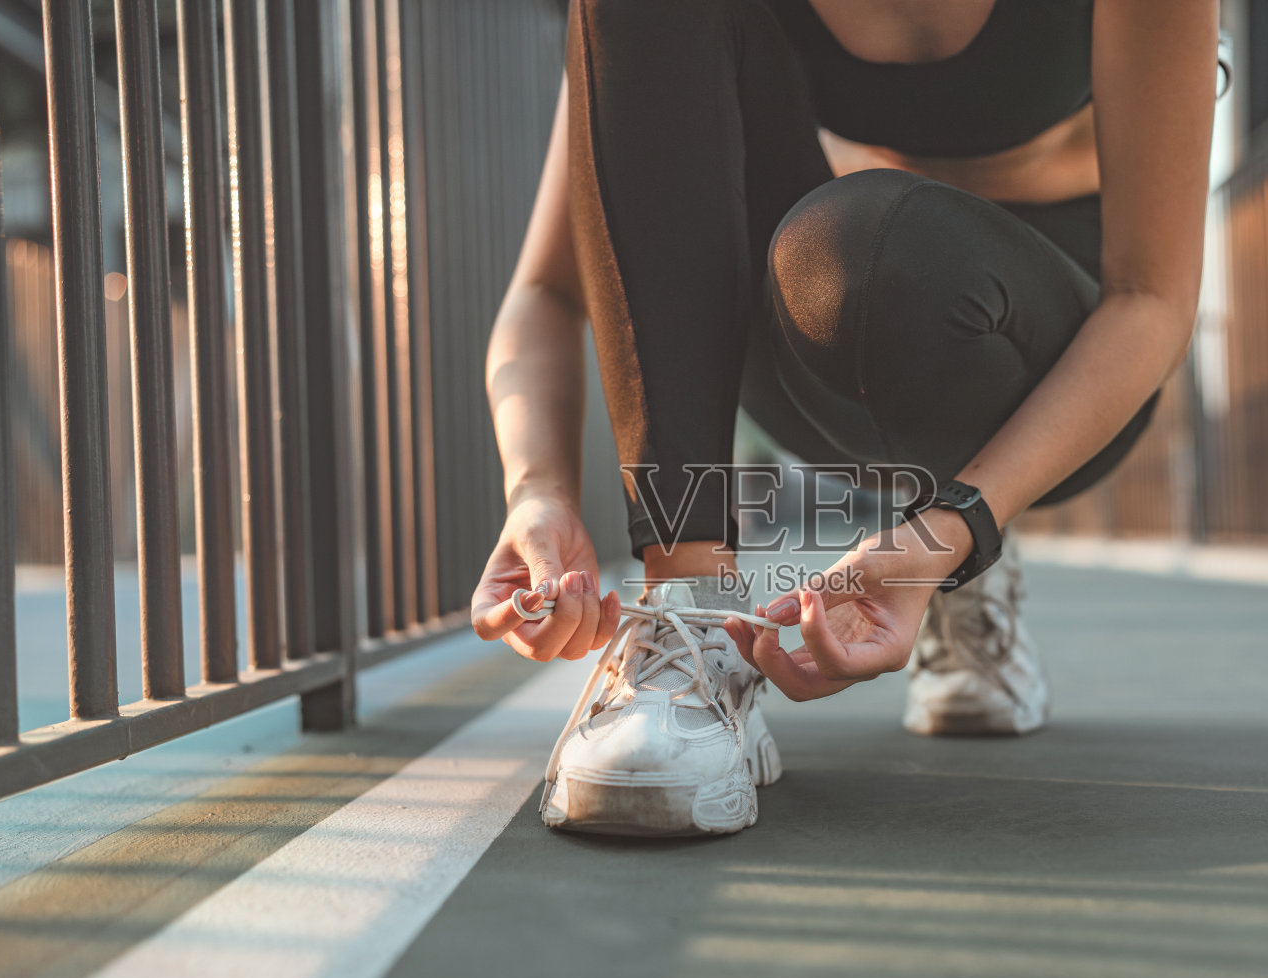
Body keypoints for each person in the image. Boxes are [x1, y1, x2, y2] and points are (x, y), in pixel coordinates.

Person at [471, 0, 1218, 836]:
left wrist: (951, 532)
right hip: (824, 341)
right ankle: (689, 619)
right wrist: (537, 491)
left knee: (884, 253)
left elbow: (1151, 300)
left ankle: (970, 556)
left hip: (1059, 366)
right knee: (842, 254)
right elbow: (548, 288)